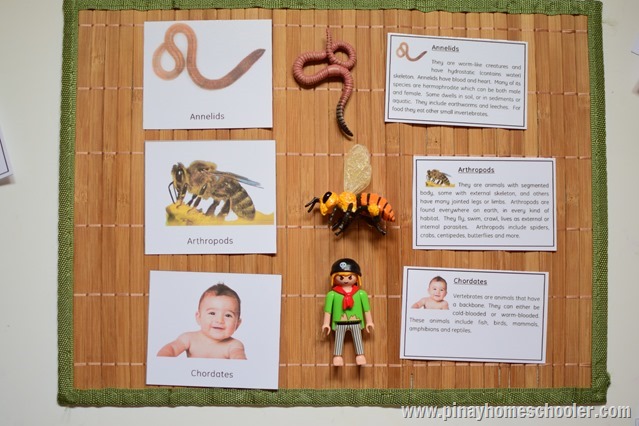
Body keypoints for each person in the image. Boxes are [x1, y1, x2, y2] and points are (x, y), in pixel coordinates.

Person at [157, 283, 247, 359]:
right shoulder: (189, 339)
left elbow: (239, 361)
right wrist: (162, 360)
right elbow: (172, 349)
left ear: (237, 324)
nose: (219, 320)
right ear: (199, 317)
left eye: (228, 315)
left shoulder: (234, 346)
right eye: (212, 313)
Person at [322, 258, 374, 366]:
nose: (345, 280)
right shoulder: (332, 295)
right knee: (338, 339)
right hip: (340, 322)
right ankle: (337, 356)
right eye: (341, 277)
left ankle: (360, 355)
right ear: (334, 278)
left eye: (350, 277)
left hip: (356, 321)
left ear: (357, 277)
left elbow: (366, 309)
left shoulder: (361, 294)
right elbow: (328, 311)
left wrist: (369, 322)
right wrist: (326, 324)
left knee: (358, 338)